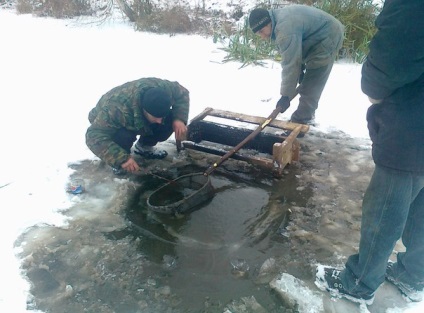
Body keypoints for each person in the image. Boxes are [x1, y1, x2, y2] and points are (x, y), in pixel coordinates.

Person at [315, 0, 424, 305]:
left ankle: (359, 284)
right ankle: (413, 275)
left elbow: (396, 51)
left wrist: (372, 85)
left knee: (386, 205)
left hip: (414, 119)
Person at [248, 5, 344, 124]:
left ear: (268, 23)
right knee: (307, 77)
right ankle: (304, 116)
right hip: (315, 35)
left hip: (329, 34)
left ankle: (302, 120)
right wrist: (300, 71)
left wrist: (285, 96)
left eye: (261, 31)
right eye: (258, 34)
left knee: (313, 79)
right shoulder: (278, 20)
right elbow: (295, 53)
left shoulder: (285, 29)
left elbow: (290, 64)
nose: (262, 36)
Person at [86, 77, 190, 175]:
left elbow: (182, 93)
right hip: (108, 121)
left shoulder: (166, 89)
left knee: (169, 120)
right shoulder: (115, 111)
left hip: (135, 115)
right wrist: (120, 158)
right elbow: (93, 136)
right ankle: (121, 162)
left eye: (161, 116)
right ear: (144, 110)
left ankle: (144, 146)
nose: (159, 121)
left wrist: (178, 119)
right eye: (156, 117)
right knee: (123, 135)